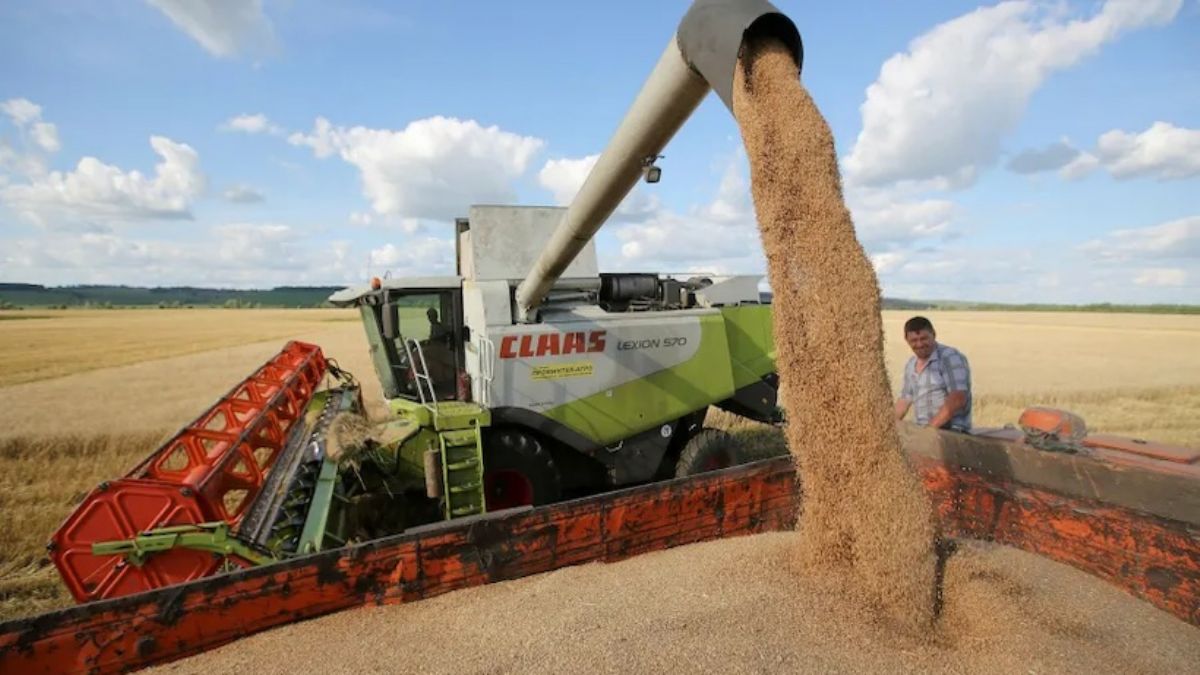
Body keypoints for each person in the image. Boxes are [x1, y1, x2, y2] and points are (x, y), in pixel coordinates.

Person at [894, 316, 972, 433]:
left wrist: (929, 430)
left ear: (934, 334)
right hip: (924, 430)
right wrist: (886, 429)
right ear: (906, 340)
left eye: (924, 338)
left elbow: (958, 398)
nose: (919, 344)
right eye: (914, 340)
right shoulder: (911, 364)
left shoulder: (949, 357)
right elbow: (904, 401)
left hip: (951, 432)